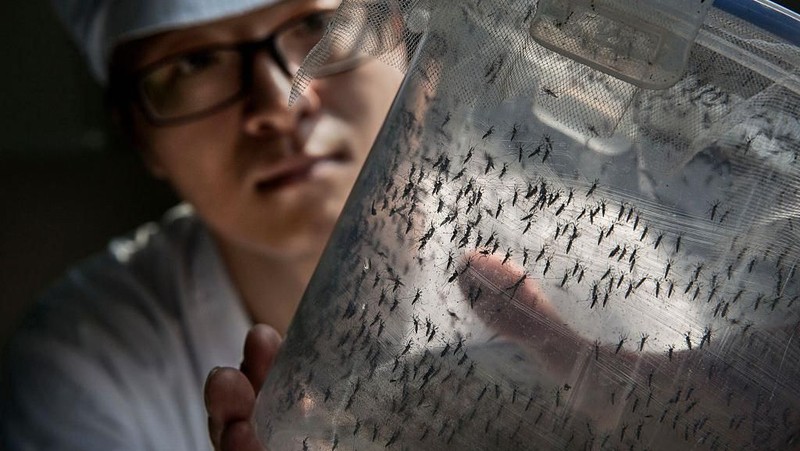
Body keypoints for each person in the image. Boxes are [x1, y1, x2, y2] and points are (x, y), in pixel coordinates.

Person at [0, 0, 404, 449]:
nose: (280, 103)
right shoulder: (85, 371)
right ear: (135, 131)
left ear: (406, 40)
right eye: (196, 62)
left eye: (316, 23)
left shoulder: (480, 263)